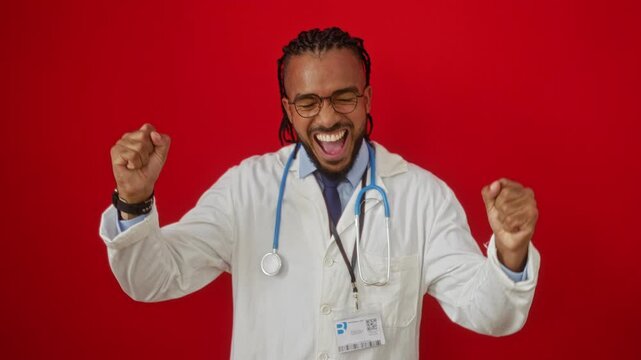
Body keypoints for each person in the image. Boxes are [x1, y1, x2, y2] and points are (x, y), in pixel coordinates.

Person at [100, 27, 540, 360]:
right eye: (308, 103)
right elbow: (152, 280)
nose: (327, 117)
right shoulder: (246, 189)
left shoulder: (422, 196)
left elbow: (491, 314)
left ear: (367, 99)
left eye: (344, 97)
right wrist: (133, 200)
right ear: (289, 110)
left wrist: (510, 249)